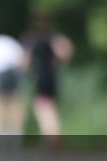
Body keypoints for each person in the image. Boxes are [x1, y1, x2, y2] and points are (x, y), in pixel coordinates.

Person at [23, 13, 73, 144]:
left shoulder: (31, 40)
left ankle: (52, 144)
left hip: (40, 81)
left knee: (44, 114)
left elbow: (25, 64)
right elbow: (66, 52)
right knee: (52, 111)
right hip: (53, 80)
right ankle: (53, 143)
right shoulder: (54, 38)